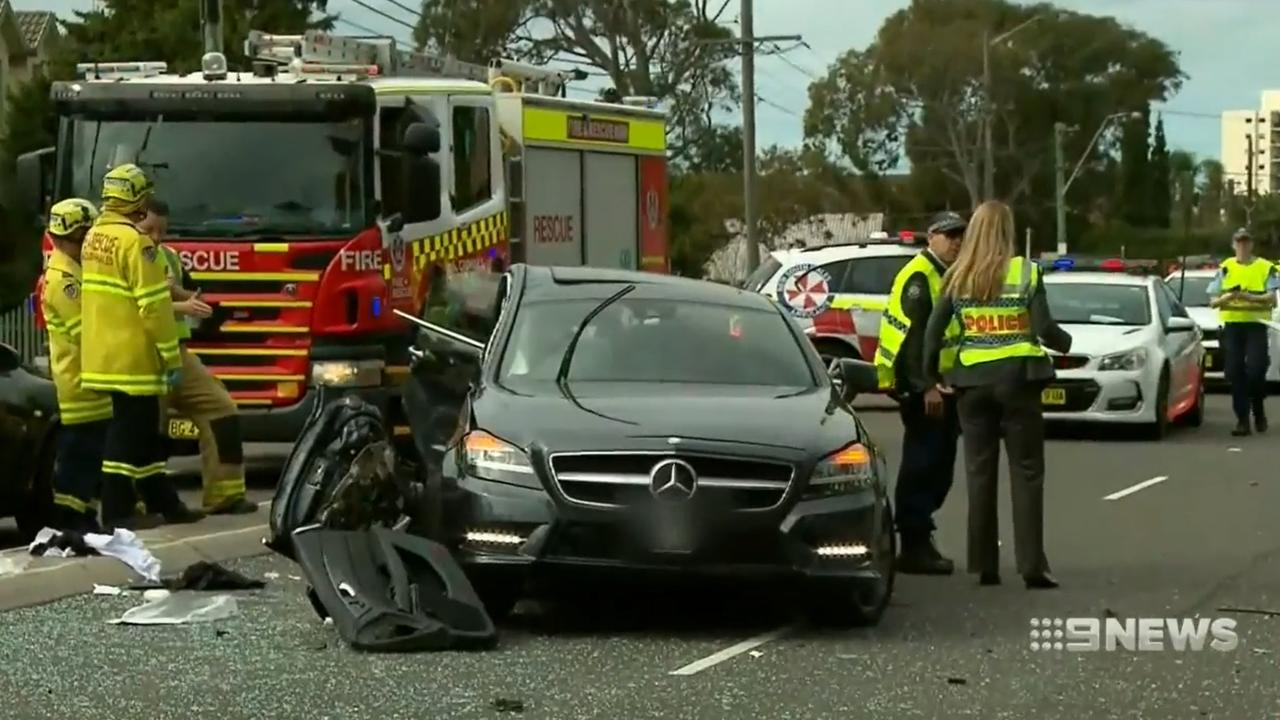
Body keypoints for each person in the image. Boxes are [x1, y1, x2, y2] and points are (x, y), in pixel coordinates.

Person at [922, 200, 1071, 590]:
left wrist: (932, 375)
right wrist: (1066, 342)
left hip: (972, 385)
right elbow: (1044, 328)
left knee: (979, 473)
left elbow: (932, 334)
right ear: (1006, 231)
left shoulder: (958, 275)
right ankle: (1031, 565)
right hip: (1019, 382)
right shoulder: (1025, 271)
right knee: (1026, 472)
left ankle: (984, 564)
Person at [79, 163, 204, 529]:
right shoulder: (138, 244)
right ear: (134, 198)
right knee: (127, 436)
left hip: (103, 354)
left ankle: (163, 502)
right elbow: (153, 307)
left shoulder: (94, 237)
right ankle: (117, 511)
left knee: (145, 433)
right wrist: (170, 358)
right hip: (133, 356)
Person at [139, 198, 258, 514]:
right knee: (147, 430)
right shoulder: (126, 256)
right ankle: (138, 504)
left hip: (177, 354)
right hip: (142, 355)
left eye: (162, 231)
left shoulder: (169, 257)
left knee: (221, 408)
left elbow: (188, 292)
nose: (156, 237)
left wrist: (204, 305)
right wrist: (182, 305)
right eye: (148, 229)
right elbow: (132, 307)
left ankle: (225, 493)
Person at [874, 211, 966, 574]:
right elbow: (914, 339)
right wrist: (926, 385)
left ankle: (919, 536)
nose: (956, 241)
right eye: (949, 235)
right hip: (922, 388)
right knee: (923, 463)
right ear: (931, 237)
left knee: (939, 466)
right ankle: (913, 543)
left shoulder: (946, 274)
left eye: (960, 235)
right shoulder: (919, 275)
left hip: (943, 386)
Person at [40, 199, 115, 532]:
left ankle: (84, 517)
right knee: (79, 457)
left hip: (93, 380)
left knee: (93, 457)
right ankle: (70, 521)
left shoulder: (76, 270)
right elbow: (87, 330)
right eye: (83, 235)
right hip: (81, 383)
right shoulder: (64, 281)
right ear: (65, 238)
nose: (89, 242)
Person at [1208, 228, 1279, 436]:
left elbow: (1272, 298)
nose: (1242, 247)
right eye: (1239, 243)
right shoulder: (1225, 268)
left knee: (1256, 370)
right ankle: (1242, 420)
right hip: (1232, 327)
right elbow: (1213, 301)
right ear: (1233, 245)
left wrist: (1249, 297)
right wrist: (1228, 297)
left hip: (1256, 325)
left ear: (1252, 245)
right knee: (1234, 372)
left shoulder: (1265, 267)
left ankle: (1258, 407)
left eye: (1246, 243)